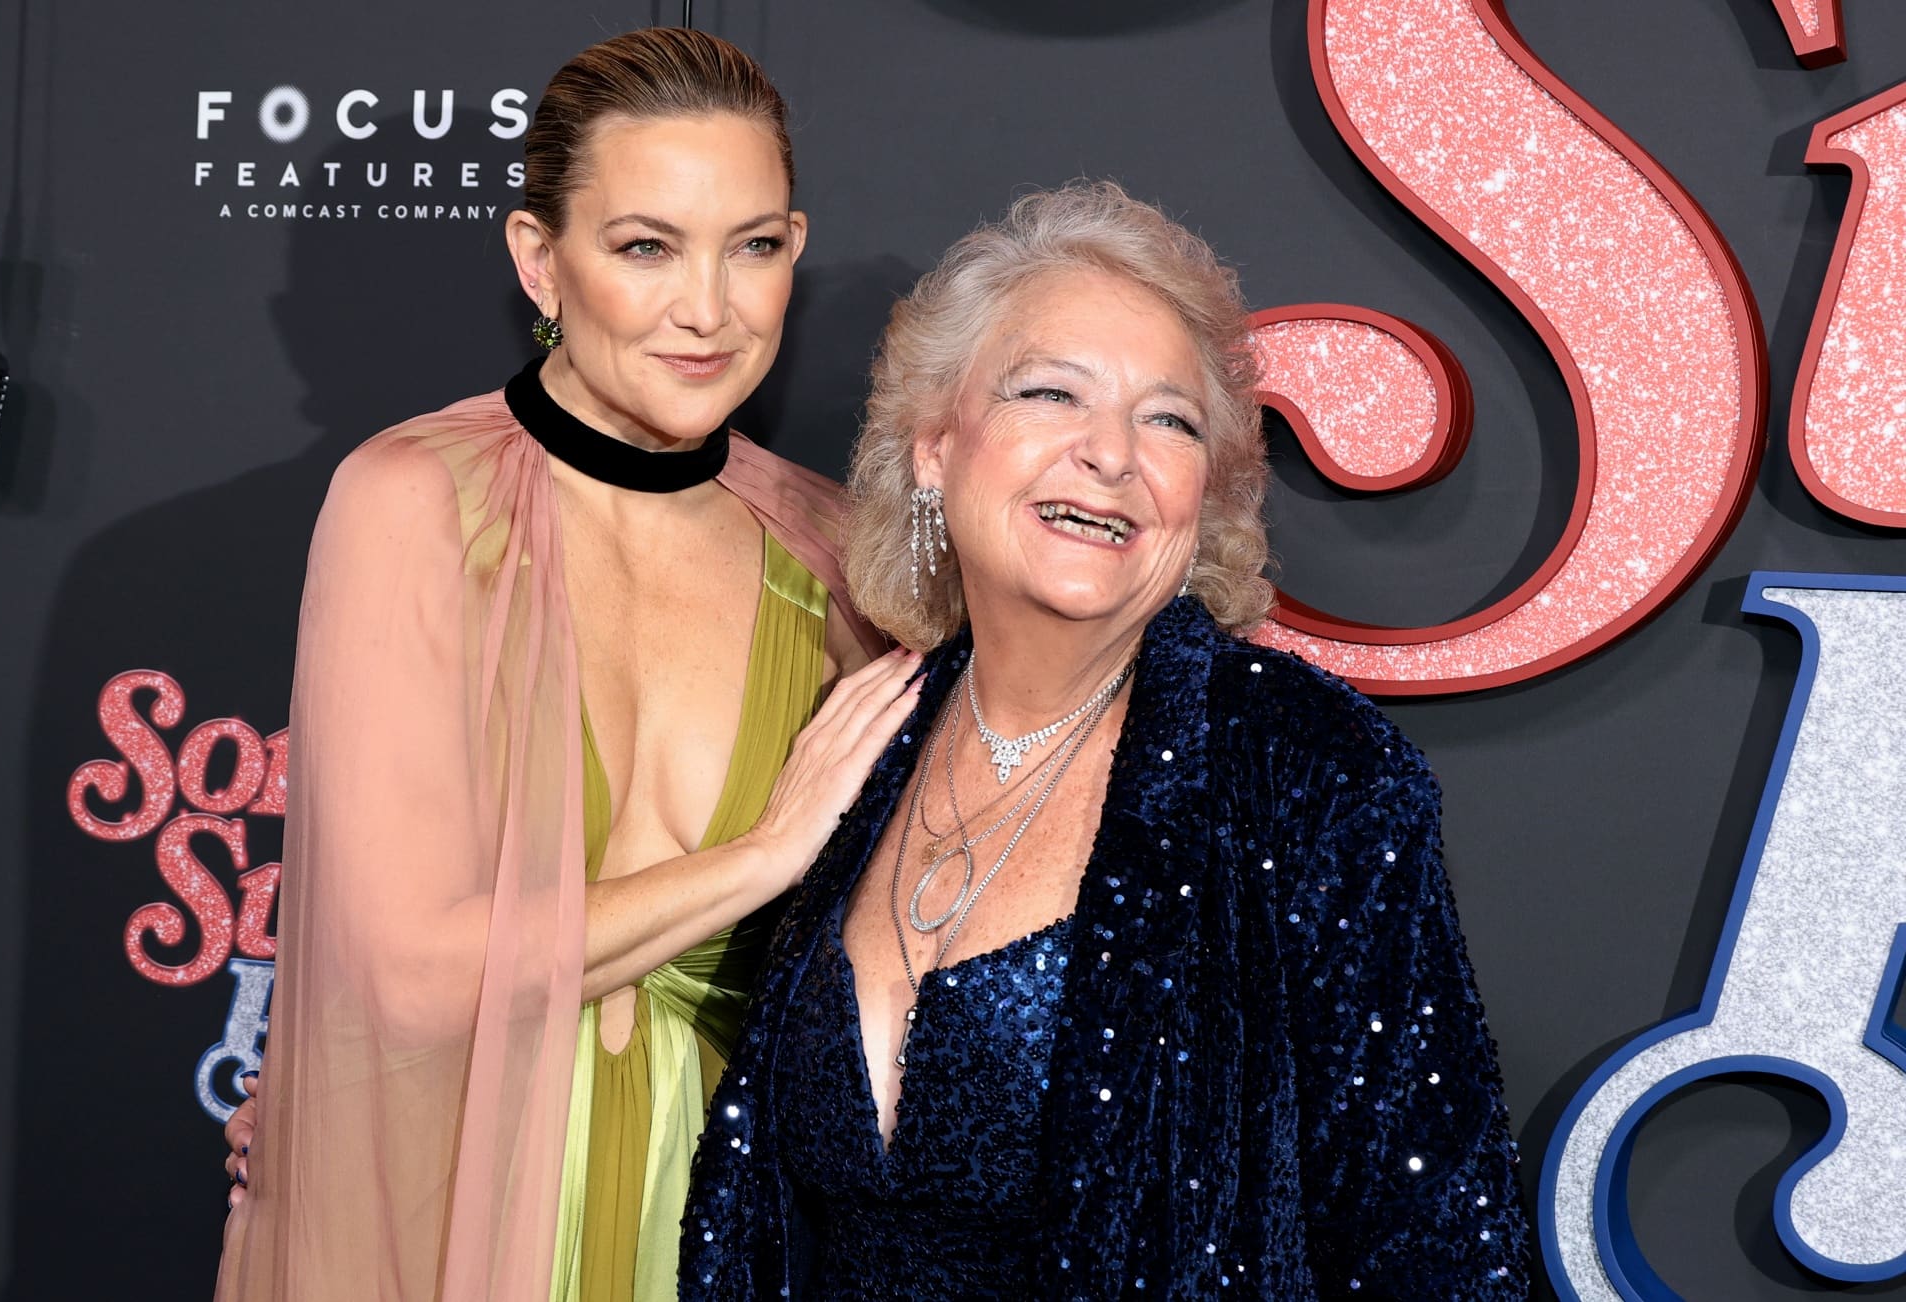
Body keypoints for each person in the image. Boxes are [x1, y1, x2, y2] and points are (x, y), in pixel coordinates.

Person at [680, 181, 1532, 1299]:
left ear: (1204, 492)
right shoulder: (863, 738)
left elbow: (1436, 1245)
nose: (1111, 454)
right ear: (935, 446)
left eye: (1168, 420)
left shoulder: (1305, 768)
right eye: (1050, 393)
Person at [213, 28, 919, 1302]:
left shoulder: (834, 551)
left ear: (794, 253)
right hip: (458, 1213)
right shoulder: (411, 503)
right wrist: (764, 857)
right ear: (540, 259)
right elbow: (414, 978)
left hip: (731, 1220)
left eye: (751, 248)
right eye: (644, 247)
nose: (706, 310)